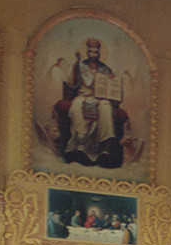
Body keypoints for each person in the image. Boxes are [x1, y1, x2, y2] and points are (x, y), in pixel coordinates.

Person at [53, 38, 127, 168]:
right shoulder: (81, 66)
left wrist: (113, 84)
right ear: (87, 52)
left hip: (101, 98)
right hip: (83, 96)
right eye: (91, 52)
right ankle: (80, 144)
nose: (93, 55)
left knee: (106, 108)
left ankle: (104, 147)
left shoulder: (105, 68)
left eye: (95, 52)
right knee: (77, 106)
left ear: (99, 54)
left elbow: (114, 86)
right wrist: (76, 64)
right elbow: (71, 82)